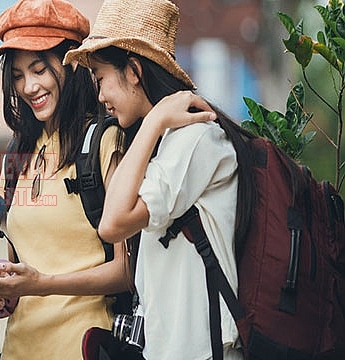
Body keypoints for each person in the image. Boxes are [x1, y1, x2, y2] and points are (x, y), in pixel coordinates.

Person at [64, 0, 258, 359]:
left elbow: (112, 224)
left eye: (102, 79)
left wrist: (154, 121)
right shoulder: (167, 142)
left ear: (134, 70)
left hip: (205, 350)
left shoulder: (196, 139)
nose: (100, 95)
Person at [0, 1, 133, 359]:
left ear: (72, 65)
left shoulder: (104, 142)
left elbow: (125, 270)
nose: (28, 87)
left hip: (84, 347)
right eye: (18, 76)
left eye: (39, 70)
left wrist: (43, 285)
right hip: (17, 350)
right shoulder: (17, 154)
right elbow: (20, 264)